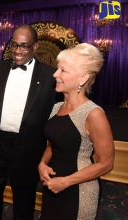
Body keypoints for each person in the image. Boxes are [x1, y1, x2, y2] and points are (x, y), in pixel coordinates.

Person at [0, 24, 58, 219]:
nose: (18, 51)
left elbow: (57, 117)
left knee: (24, 201)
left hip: (28, 149)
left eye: (24, 46)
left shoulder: (50, 76)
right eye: (14, 45)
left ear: (35, 47)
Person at [38, 43, 115, 220]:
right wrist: (42, 163)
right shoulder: (57, 107)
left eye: (63, 70)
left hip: (79, 190)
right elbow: (52, 144)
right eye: (58, 69)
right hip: (53, 185)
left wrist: (65, 182)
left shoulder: (93, 113)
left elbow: (106, 164)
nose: (55, 74)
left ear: (82, 78)